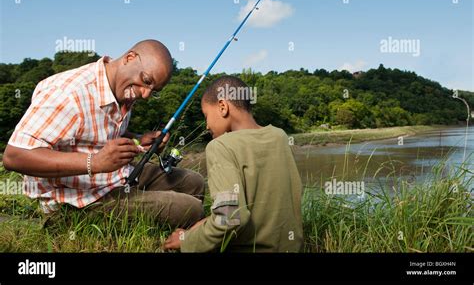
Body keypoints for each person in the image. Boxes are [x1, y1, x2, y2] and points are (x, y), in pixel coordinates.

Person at [3, 39, 205, 228]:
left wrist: (138, 139)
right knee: (190, 208)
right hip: (74, 201)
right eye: (146, 81)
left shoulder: (123, 89)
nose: (145, 95)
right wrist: (95, 162)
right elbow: (15, 156)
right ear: (129, 58)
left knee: (194, 183)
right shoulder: (68, 93)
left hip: (114, 178)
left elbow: (100, 136)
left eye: (154, 90)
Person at [164, 76, 303, 252]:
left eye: (206, 116)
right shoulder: (280, 136)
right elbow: (259, 204)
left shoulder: (220, 146)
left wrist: (186, 241)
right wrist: (204, 224)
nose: (206, 125)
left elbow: (230, 218)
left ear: (223, 107)